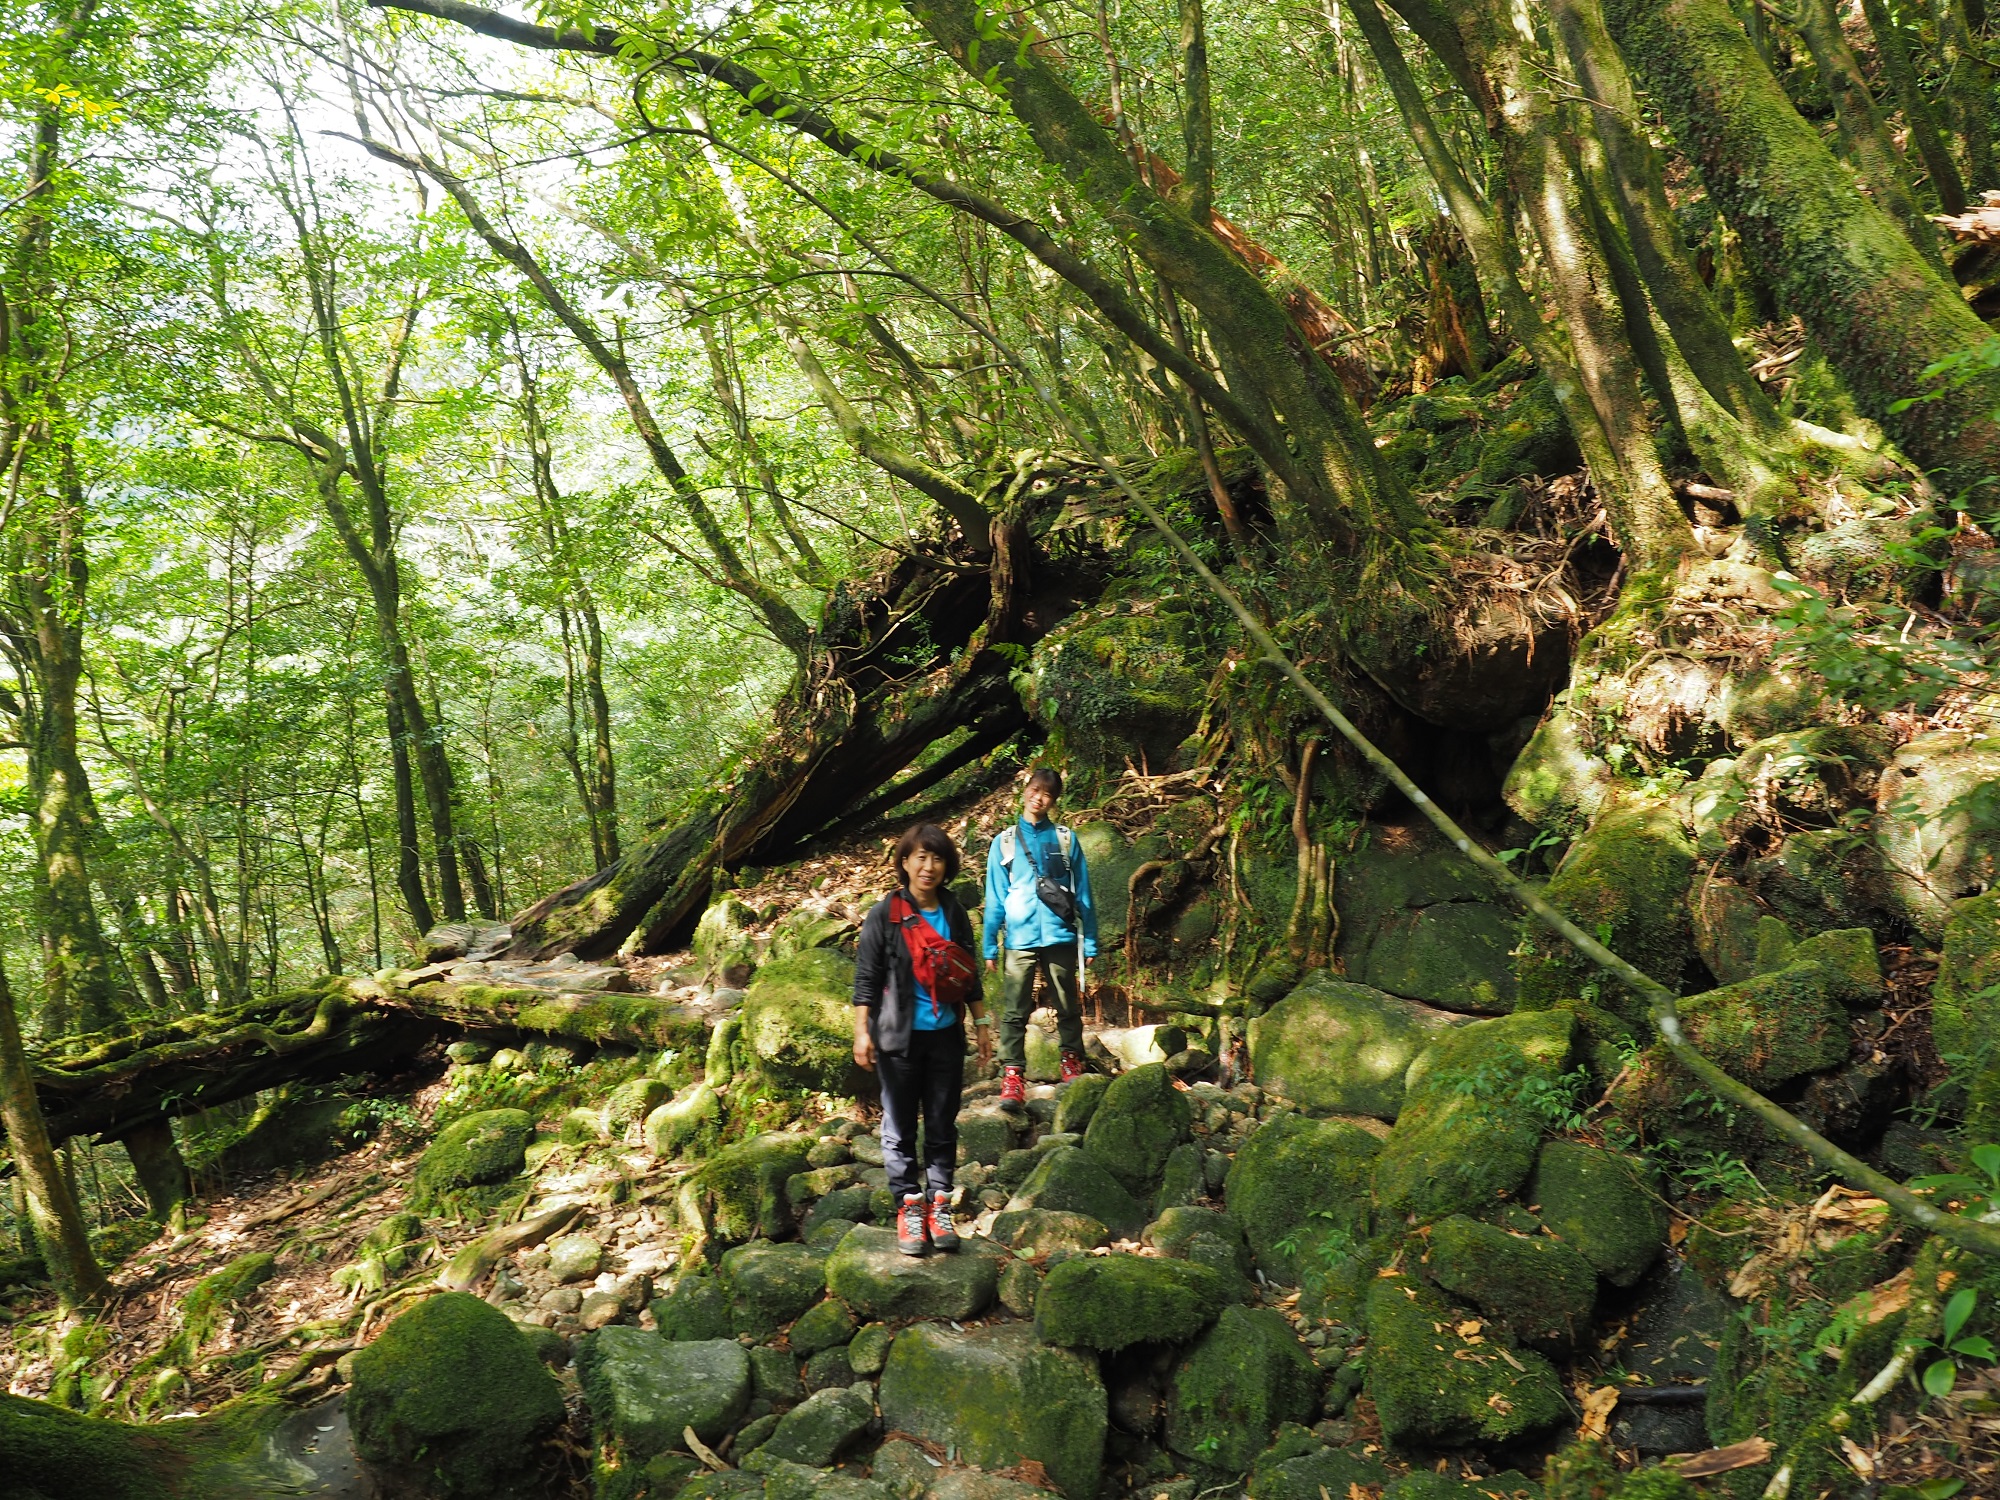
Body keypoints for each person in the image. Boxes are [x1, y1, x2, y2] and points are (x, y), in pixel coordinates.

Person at [852, 822, 992, 1256]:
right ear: (905, 862)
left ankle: (940, 1205)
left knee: (941, 1123)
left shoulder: (953, 912)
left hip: (946, 1036)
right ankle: (909, 1207)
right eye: (920, 857)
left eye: (937, 858)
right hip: (898, 1039)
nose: (928, 866)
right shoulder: (884, 914)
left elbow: (967, 975)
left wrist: (983, 1025)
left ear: (946, 866)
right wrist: (862, 1031)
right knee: (897, 1128)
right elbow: (866, 979)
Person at [983, 767, 1099, 1113]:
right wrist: (990, 943)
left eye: (1047, 794)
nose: (1039, 797)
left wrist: (1090, 940)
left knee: (1067, 1004)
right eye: (1035, 789)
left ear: (1054, 800)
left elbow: (1083, 892)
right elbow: (995, 897)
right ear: (1025, 790)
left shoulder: (1065, 839)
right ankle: (1013, 1075)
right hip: (1019, 937)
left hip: (1060, 933)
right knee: (1015, 1009)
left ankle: (1070, 1061)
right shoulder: (1003, 841)